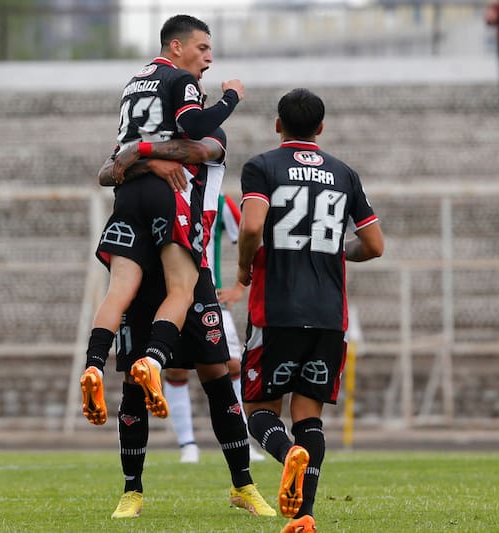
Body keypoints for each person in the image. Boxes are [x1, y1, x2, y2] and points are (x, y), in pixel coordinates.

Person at [96, 131, 275, 520]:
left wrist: (144, 155)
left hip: (194, 270)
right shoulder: (144, 136)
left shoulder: (205, 137)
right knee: (134, 379)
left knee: (217, 371)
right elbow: (108, 172)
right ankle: (132, 491)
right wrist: (147, 160)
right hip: (145, 269)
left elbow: (203, 150)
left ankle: (243, 484)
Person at [236, 88, 384, 533]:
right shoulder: (344, 174)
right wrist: (337, 251)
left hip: (276, 309)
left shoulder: (262, 167)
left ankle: (287, 455)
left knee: (259, 411)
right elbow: (374, 245)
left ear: (277, 125)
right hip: (328, 314)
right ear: (321, 127)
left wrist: (243, 265)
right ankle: (304, 516)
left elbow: (252, 226)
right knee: (309, 415)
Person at [164, 193, 266, 464]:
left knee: (231, 363)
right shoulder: (161, 194)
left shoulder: (218, 201)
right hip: (170, 297)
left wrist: (240, 287)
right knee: (175, 369)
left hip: (209, 297)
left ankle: (243, 440)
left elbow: (252, 235)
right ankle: (187, 445)